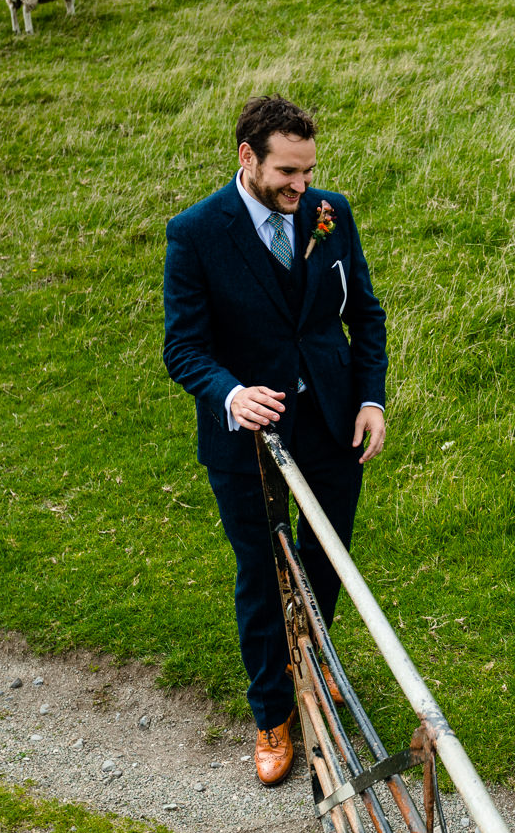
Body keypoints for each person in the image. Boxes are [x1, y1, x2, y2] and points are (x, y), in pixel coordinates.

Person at [163, 95, 388, 787]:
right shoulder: (195, 234)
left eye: (309, 170)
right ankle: (272, 713)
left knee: (327, 561)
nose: (302, 187)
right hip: (244, 442)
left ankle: (314, 667)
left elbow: (365, 315)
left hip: (331, 423)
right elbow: (183, 348)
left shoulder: (331, 213)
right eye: (288, 172)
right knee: (262, 574)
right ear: (247, 158)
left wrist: (372, 398)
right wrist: (231, 392)